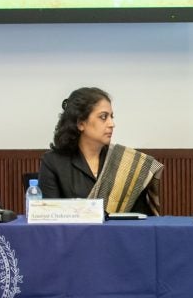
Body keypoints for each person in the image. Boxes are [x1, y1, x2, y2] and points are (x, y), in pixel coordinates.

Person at [38, 87, 163, 215]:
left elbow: (140, 219)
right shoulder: (53, 162)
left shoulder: (127, 164)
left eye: (111, 117)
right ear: (81, 123)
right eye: (103, 117)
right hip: (71, 235)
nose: (111, 124)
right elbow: (50, 218)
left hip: (119, 234)